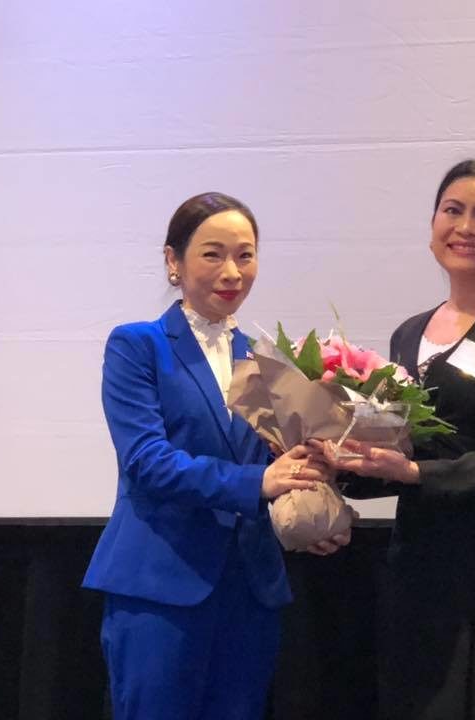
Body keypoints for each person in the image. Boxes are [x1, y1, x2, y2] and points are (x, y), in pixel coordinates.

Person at [321, 160, 475, 720]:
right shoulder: (409, 333)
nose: (465, 226)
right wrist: (338, 463)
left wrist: (416, 474)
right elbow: (403, 453)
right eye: (452, 210)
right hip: (420, 559)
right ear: (433, 225)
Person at [83, 192, 346, 720]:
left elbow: (278, 462)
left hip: (250, 588)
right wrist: (260, 484)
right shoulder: (137, 345)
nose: (232, 272)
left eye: (245, 255)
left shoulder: (268, 360)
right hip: (160, 584)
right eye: (212, 254)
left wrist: (313, 507)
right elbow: (147, 461)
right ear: (173, 260)